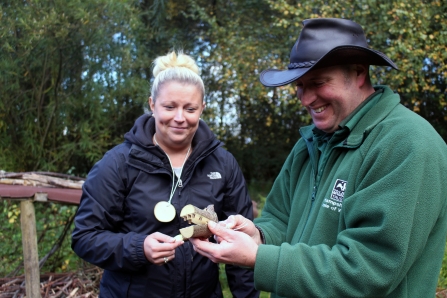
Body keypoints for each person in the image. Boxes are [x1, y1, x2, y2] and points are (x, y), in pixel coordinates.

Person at [190, 18, 447, 297]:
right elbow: (280, 219)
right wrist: (257, 236)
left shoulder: (406, 143)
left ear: (359, 73)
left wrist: (258, 258)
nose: (305, 99)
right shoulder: (310, 143)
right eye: (300, 85)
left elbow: (367, 269)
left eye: (318, 83)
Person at [71, 50, 259, 298]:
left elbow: (242, 243)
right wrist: (139, 248)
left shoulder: (223, 164)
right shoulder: (118, 163)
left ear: (202, 108)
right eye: (169, 107)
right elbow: (85, 237)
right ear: (152, 105)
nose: (179, 118)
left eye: (190, 108)